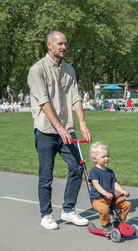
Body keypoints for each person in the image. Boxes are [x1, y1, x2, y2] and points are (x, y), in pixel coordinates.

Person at [27, 30, 92, 230]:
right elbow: (44, 102)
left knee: (77, 167)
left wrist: (81, 122)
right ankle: (46, 215)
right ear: (49, 45)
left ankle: (68, 210)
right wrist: (59, 128)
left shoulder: (69, 69)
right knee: (46, 175)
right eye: (60, 44)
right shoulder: (36, 70)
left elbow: (75, 97)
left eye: (65, 44)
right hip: (46, 131)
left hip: (67, 130)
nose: (64, 47)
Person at [88, 142, 131, 235]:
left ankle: (118, 221)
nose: (106, 158)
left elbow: (115, 183)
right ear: (94, 159)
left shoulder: (110, 172)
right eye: (103, 157)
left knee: (127, 204)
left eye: (107, 156)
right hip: (98, 200)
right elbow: (96, 185)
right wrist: (105, 194)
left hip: (111, 199)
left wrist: (122, 191)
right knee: (104, 209)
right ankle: (106, 225)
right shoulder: (94, 171)